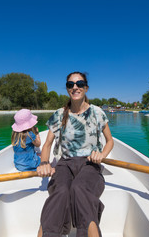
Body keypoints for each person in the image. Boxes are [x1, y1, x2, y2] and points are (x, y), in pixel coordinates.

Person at [37, 71, 114, 237]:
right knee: (61, 191)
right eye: (70, 84)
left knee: (79, 188)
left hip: (90, 163)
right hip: (65, 163)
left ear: (86, 88)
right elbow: (47, 144)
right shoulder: (59, 114)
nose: (75, 87)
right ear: (67, 89)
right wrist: (44, 163)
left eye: (79, 84)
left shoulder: (97, 112)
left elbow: (109, 141)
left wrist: (102, 155)